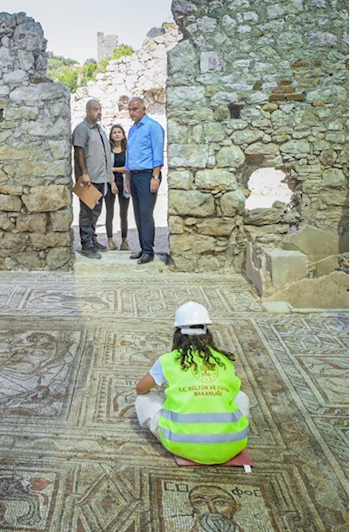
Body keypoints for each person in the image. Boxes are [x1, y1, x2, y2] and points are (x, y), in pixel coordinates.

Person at [135, 302, 250, 465]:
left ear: (177, 334)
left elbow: (141, 388)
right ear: (207, 333)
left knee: (144, 399)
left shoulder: (168, 361)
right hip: (232, 444)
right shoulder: (224, 361)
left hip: (180, 442)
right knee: (241, 396)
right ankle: (228, 434)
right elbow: (232, 391)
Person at [125, 96, 165, 264]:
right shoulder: (132, 130)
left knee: (145, 213)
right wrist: (127, 177)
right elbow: (129, 156)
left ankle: (149, 251)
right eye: (130, 110)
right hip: (134, 175)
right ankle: (143, 248)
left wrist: (155, 177)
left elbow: (157, 154)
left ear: (144, 109)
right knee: (137, 213)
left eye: (135, 109)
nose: (132, 112)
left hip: (148, 175)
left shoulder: (153, 127)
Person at [72, 99, 113, 259]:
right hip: (88, 179)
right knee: (86, 212)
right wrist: (84, 173)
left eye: (100, 109)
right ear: (87, 111)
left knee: (96, 211)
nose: (99, 112)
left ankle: (93, 239)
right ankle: (86, 245)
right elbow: (79, 152)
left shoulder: (98, 129)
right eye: (95, 109)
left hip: (100, 177)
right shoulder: (82, 129)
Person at [104, 124, 131, 251]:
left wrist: (114, 169)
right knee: (110, 212)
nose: (117, 134)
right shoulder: (107, 151)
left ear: (123, 135)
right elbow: (105, 168)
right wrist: (112, 182)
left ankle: (124, 241)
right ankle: (110, 240)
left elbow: (129, 167)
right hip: (110, 184)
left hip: (125, 183)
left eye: (119, 132)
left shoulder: (127, 150)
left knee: (123, 213)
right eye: (114, 132)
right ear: (111, 135)